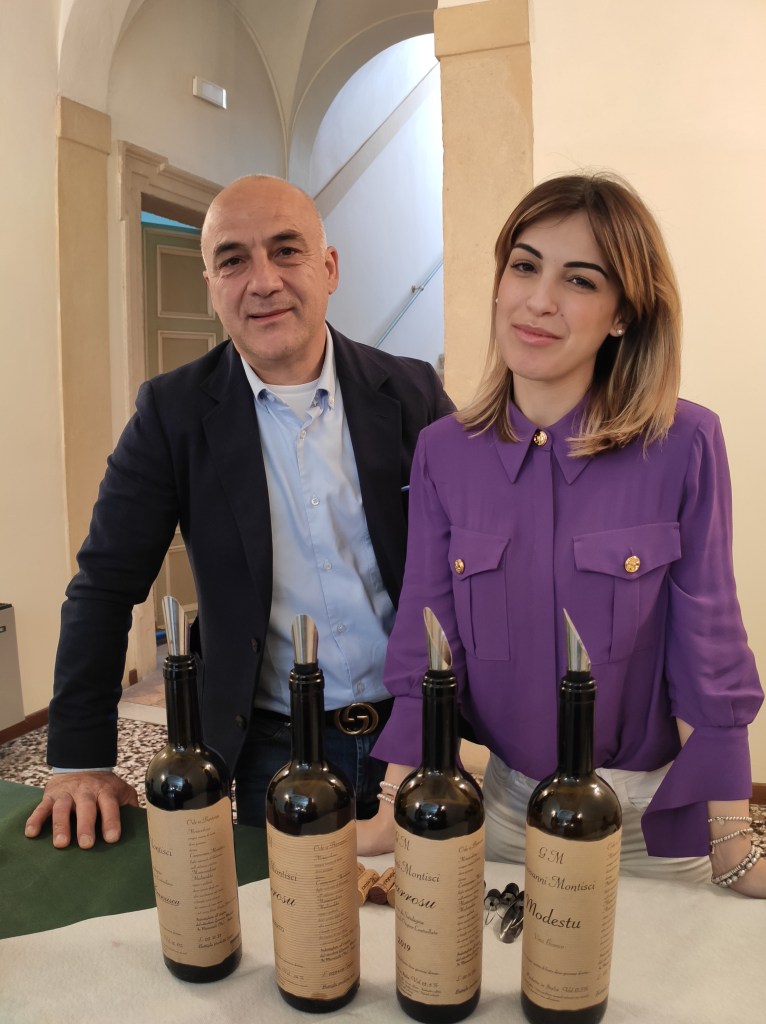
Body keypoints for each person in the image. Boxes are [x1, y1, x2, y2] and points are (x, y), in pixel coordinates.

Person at [358, 172, 765, 897]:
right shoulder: (443, 453)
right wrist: (393, 807)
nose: (540, 300)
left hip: (647, 825)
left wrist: (732, 841)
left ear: (622, 314)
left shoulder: (685, 444)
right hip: (507, 818)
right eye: (524, 266)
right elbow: (427, 644)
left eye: (580, 280)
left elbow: (711, 647)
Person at [24, 174, 454, 849]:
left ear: (329, 268)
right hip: (272, 749)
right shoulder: (171, 414)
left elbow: (473, 560)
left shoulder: (413, 391)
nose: (263, 281)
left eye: (286, 251)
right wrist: (80, 759)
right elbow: (104, 584)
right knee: (283, 914)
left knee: (432, 908)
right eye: (233, 260)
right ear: (212, 286)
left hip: (416, 733)